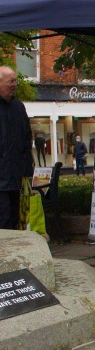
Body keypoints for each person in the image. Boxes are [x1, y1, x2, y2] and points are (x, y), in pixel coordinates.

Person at [0, 66, 33, 230]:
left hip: (17, 177)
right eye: (10, 81)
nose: (15, 85)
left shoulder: (18, 107)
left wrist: (27, 167)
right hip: (2, 179)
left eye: (16, 81)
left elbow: (27, 137)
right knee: (4, 220)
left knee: (15, 221)